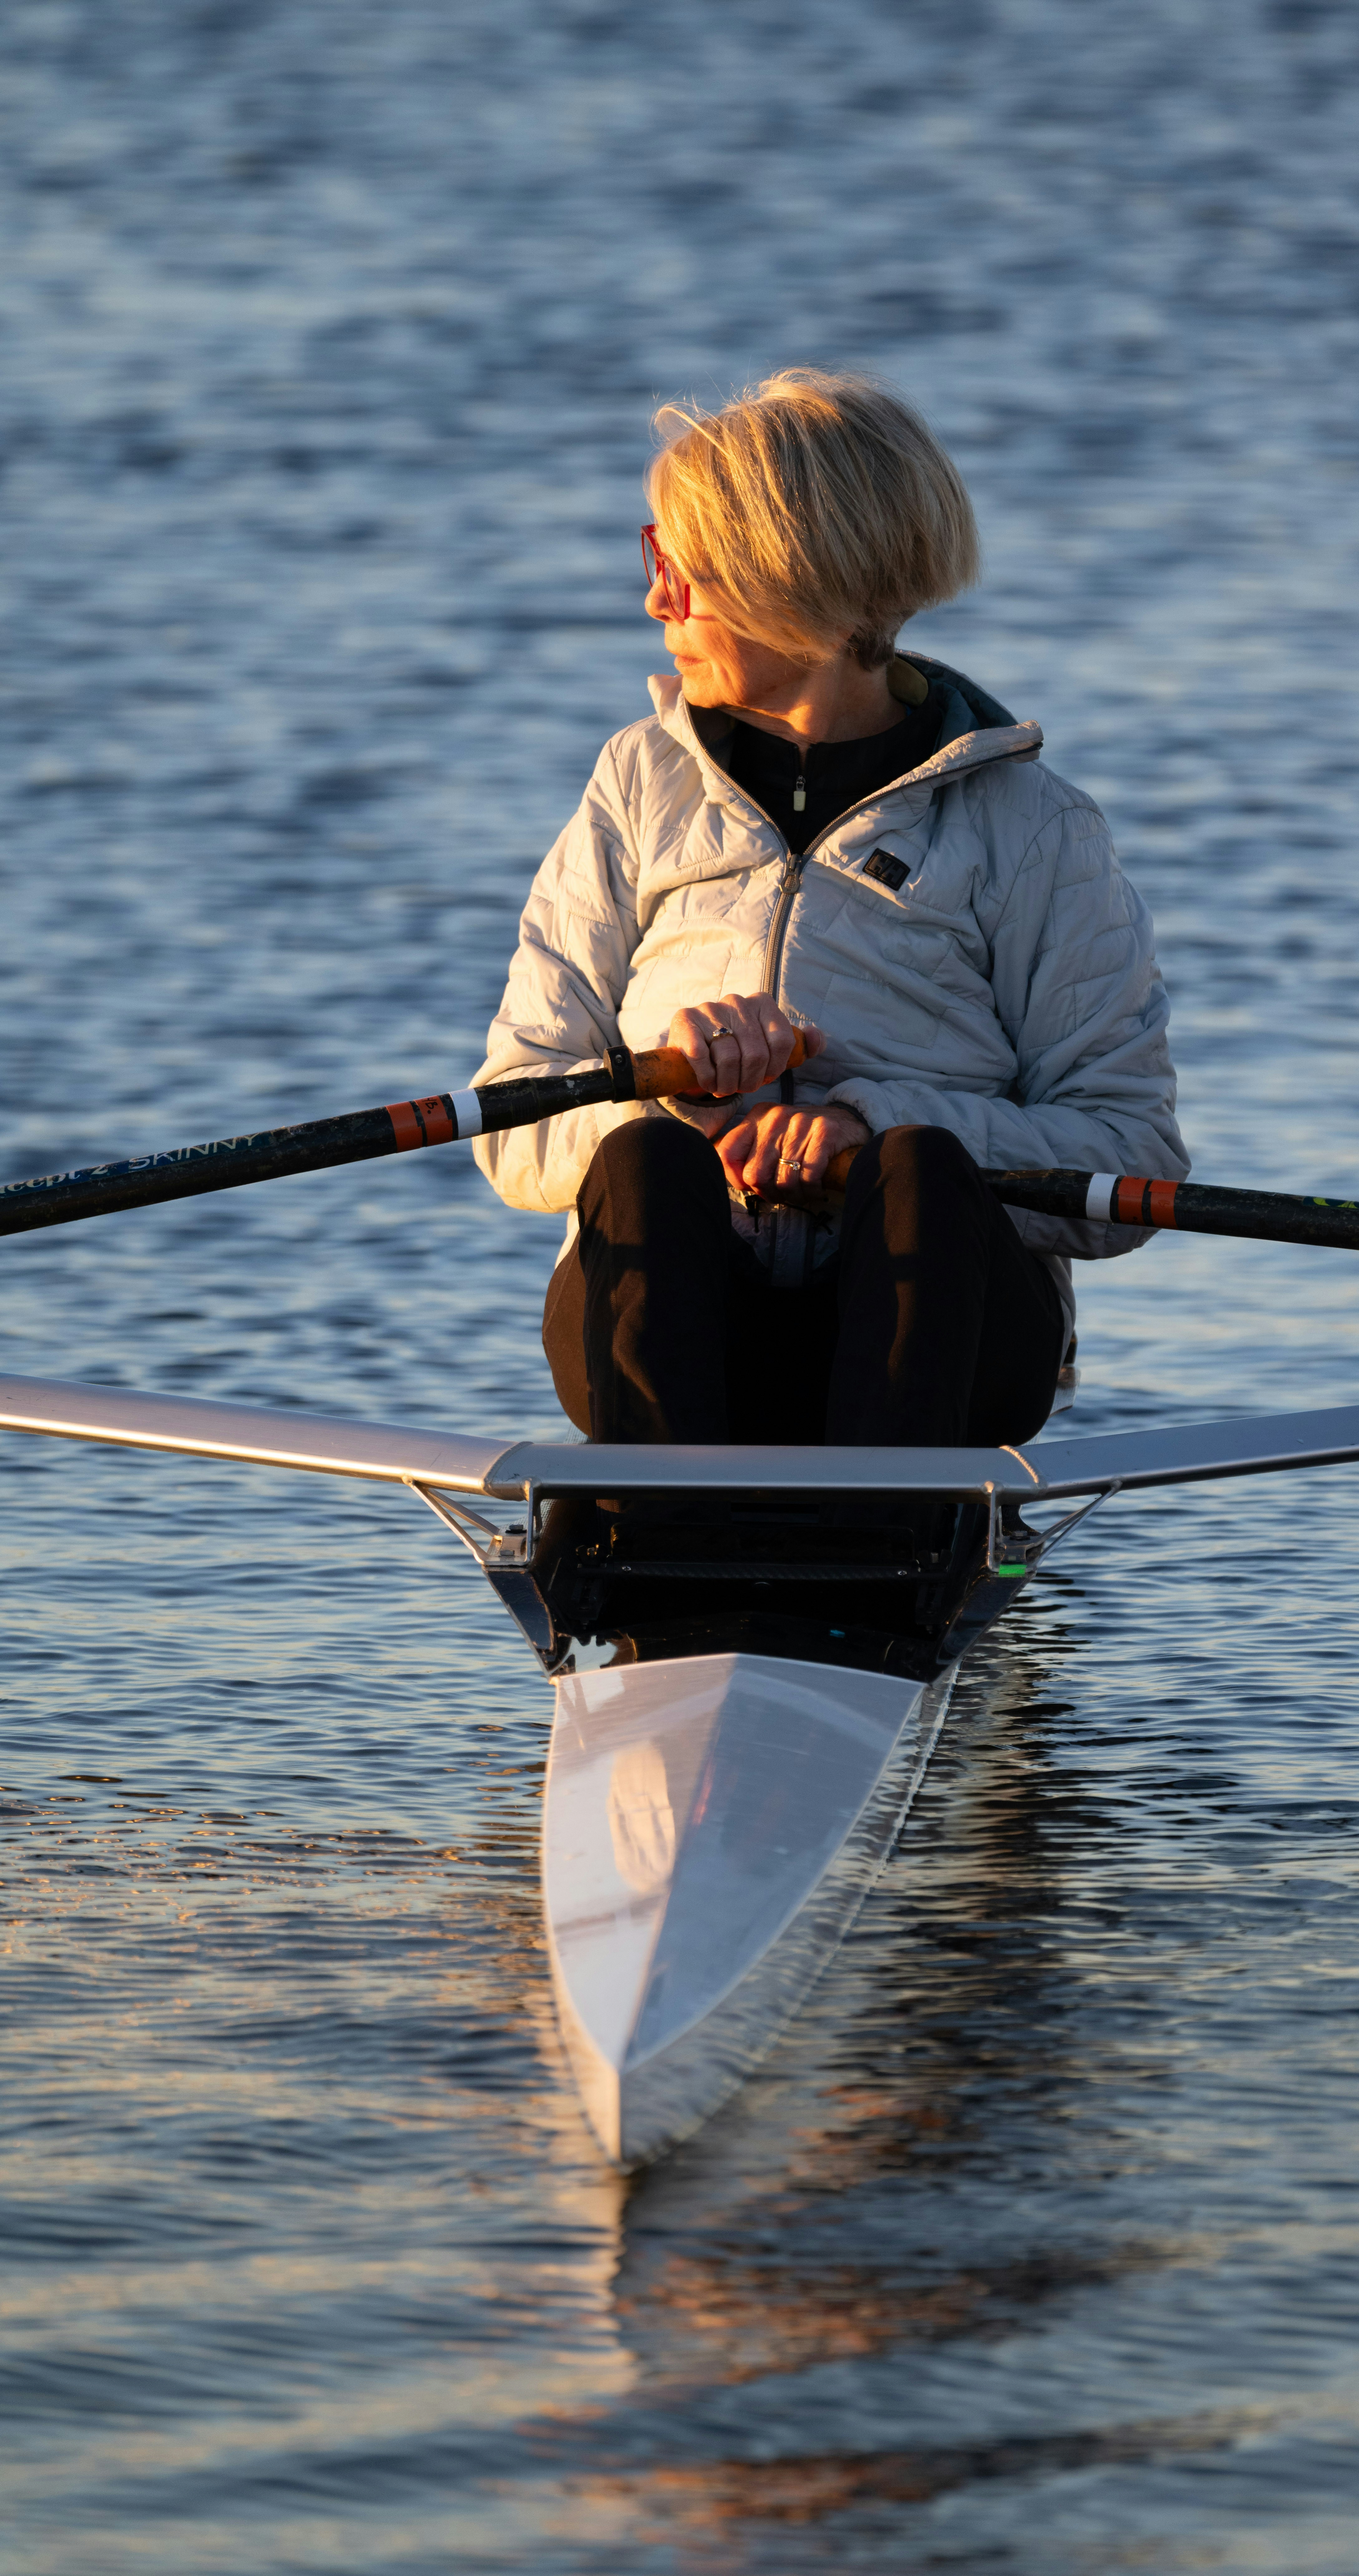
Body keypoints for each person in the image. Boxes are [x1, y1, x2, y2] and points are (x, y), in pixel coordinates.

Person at [472, 368, 1188, 1456]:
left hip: (942, 1340)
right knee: (646, 1168)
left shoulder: (1029, 827)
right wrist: (680, 1110)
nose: (655, 601)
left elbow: (1130, 1154)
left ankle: (891, 1525)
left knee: (917, 1170)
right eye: (652, 557)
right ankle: (652, 1528)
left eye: (681, 568)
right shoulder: (634, 786)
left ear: (788, 582)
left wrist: (871, 1125)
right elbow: (512, 1126)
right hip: (684, 1315)